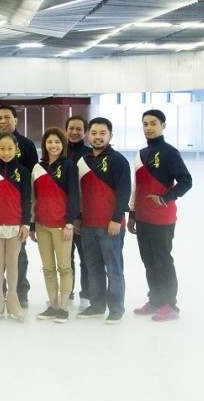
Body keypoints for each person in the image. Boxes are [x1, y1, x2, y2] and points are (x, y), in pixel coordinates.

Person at [128, 110, 193, 323]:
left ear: (163, 125)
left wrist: (165, 198)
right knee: (149, 262)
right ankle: (155, 300)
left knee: (163, 261)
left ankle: (170, 305)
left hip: (162, 219)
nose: (148, 127)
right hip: (143, 218)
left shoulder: (169, 152)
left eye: (153, 123)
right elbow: (137, 188)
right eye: (145, 123)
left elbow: (186, 181)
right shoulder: (141, 154)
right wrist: (133, 214)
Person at [0, 105, 38, 308]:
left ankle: (20, 292)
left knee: (18, 256)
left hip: (17, 214)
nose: (3, 121)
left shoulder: (28, 146)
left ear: (16, 119)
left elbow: (32, 184)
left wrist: (28, 220)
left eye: (7, 117)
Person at [76, 118, 132, 325]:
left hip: (110, 225)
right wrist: (78, 218)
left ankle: (116, 308)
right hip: (88, 225)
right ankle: (97, 305)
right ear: (88, 135)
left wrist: (117, 219)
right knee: (93, 267)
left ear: (110, 135)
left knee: (113, 268)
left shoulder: (118, 161)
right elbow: (79, 193)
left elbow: (124, 191)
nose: (98, 137)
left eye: (103, 133)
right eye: (94, 133)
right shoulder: (83, 161)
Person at [32, 127, 80, 323]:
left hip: (61, 225)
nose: (54, 145)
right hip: (42, 224)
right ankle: (52, 305)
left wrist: (70, 222)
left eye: (58, 142)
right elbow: (34, 199)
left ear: (63, 145)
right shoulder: (38, 167)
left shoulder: (69, 166)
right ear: (44, 144)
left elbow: (74, 196)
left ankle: (63, 307)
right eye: (50, 142)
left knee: (64, 267)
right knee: (48, 268)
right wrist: (33, 225)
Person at [64, 115, 90, 304]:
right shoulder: (59, 151)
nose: (74, 132)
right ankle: (68, 290)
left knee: (85, 255)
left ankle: (87, 292)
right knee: (66, 256)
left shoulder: (89, 155)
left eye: (78, 129)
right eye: (71, 128)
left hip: (82, 215)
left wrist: (78, 216)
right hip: (62, 215)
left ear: (85, 132)